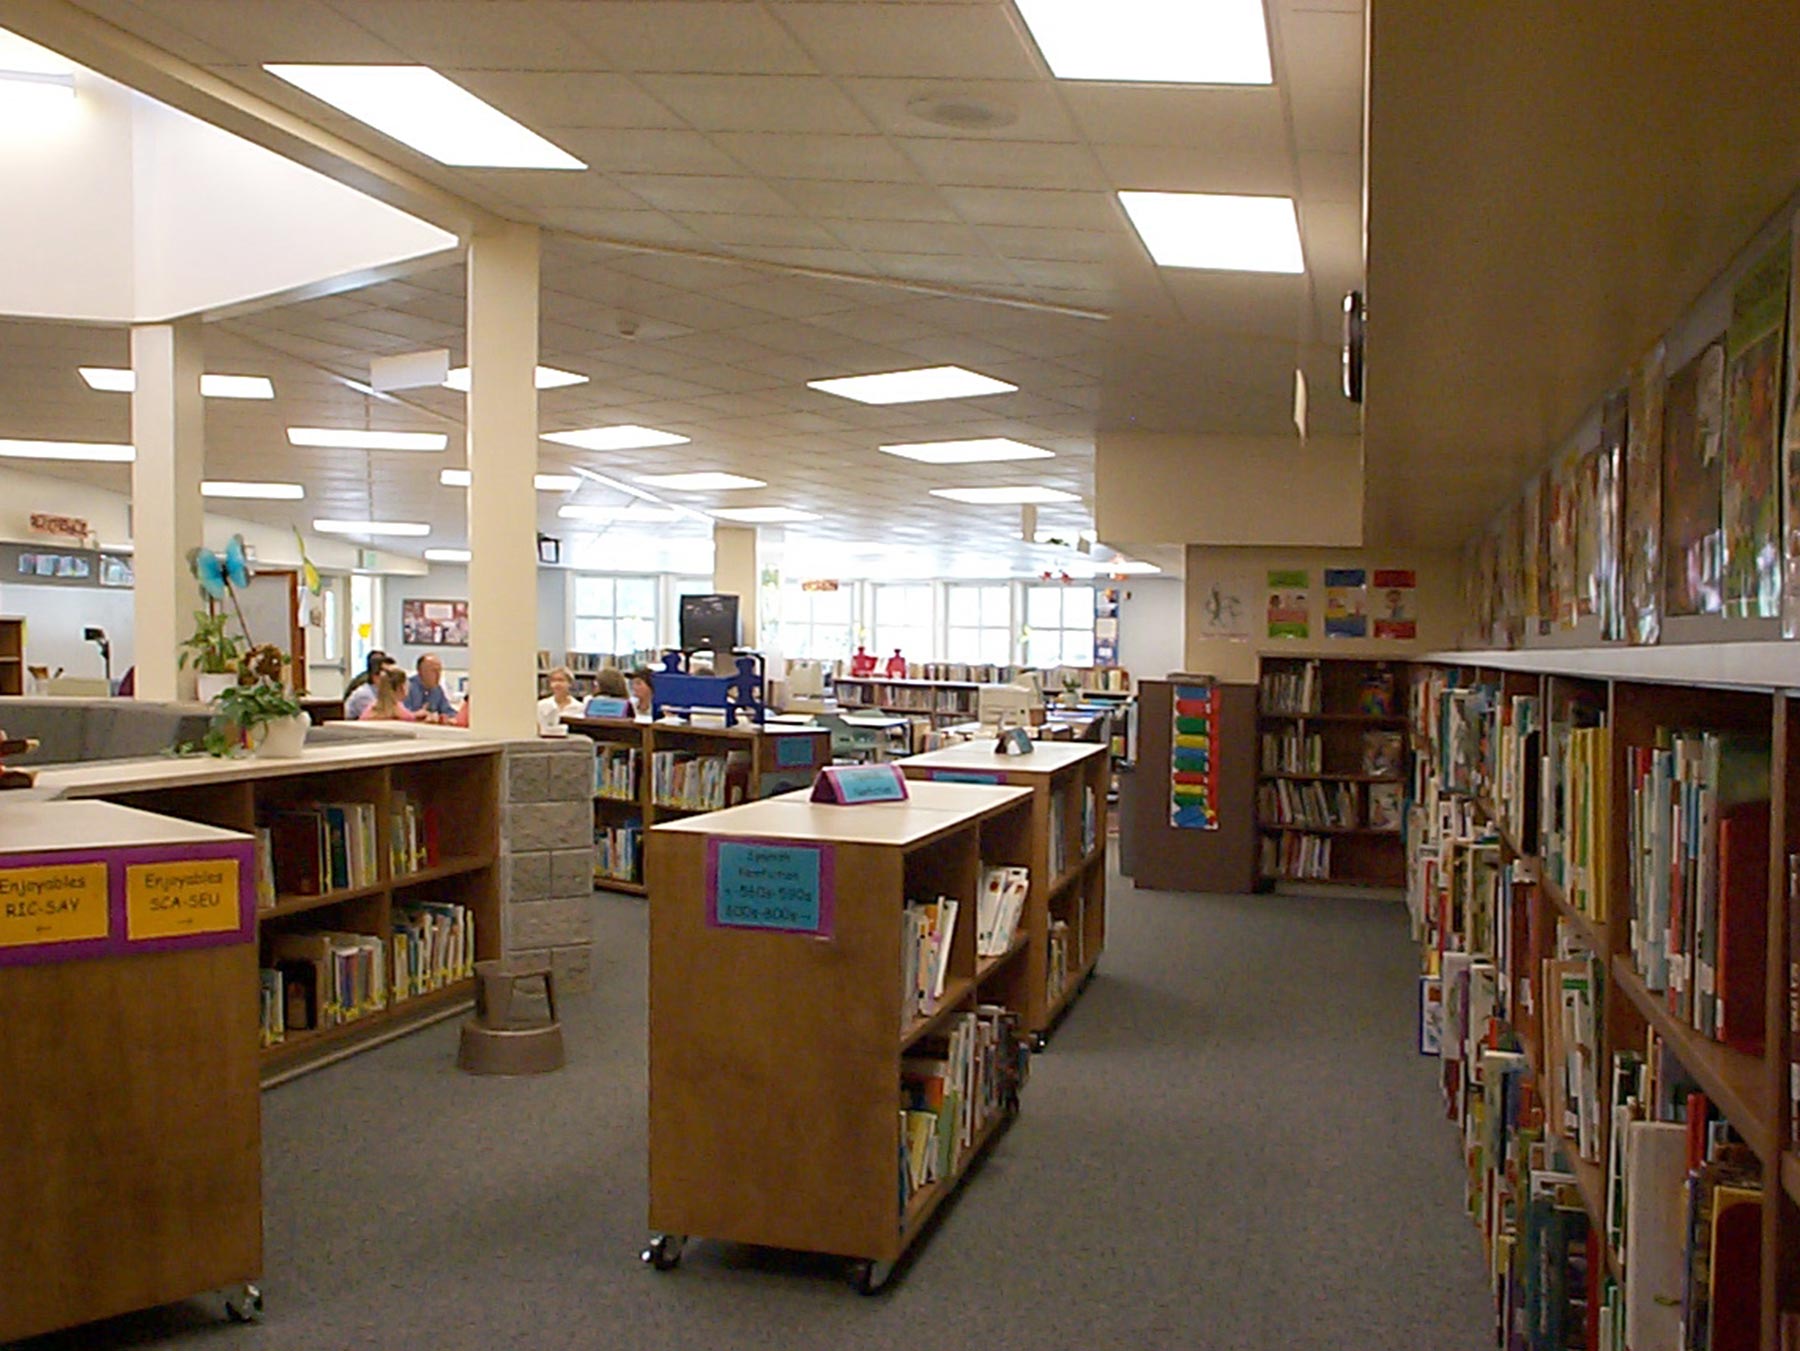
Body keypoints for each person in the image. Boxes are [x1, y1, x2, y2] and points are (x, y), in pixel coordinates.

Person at [404, 653, 455, 723]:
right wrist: (419, 715)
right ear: (420, 671)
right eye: (433, 670)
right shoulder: (407, 687)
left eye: (439, 670)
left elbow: (448, 711)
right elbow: (402, 715)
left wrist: (446, 717)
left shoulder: (437, 689)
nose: (438, 674)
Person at [344, 653, 394, 720]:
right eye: (389, 675)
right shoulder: (364, 695)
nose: (393, 679)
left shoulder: (383, 692)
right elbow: (377, 720)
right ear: (375, 676)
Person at [536, 666, 583, 731]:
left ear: (570, 683)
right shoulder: (541, 705)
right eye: (553, 681)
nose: (557, 684)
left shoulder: (580, 707)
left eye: (561, 680)